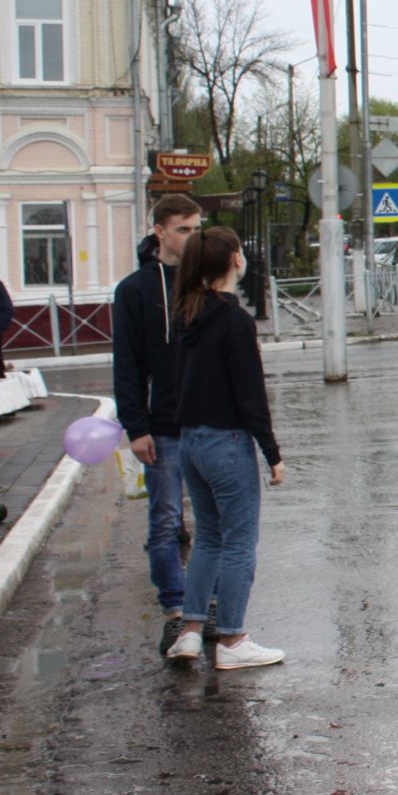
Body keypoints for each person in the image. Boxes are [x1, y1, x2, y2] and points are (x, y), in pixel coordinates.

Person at [163, 227, 286, 671]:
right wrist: (272, 452)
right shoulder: (234, 321)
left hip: (190, 441)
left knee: (209, 539)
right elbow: (250, 393)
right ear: (235, 260)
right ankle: (232, 639)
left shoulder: (185, 315)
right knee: (238, 544)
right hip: (227, 442)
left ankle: (192, 633)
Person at [111, 193, 201, 657]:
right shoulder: (135, 290)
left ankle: (209, 608)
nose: (192, 237)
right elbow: (126, 366)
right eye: (184, 229)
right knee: (165, 522)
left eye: (197, 228)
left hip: (209, 424)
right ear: (160, 232)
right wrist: (136, 427)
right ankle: (174, 613)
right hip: (162, 429)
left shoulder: (206, 282)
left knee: (215, 523)